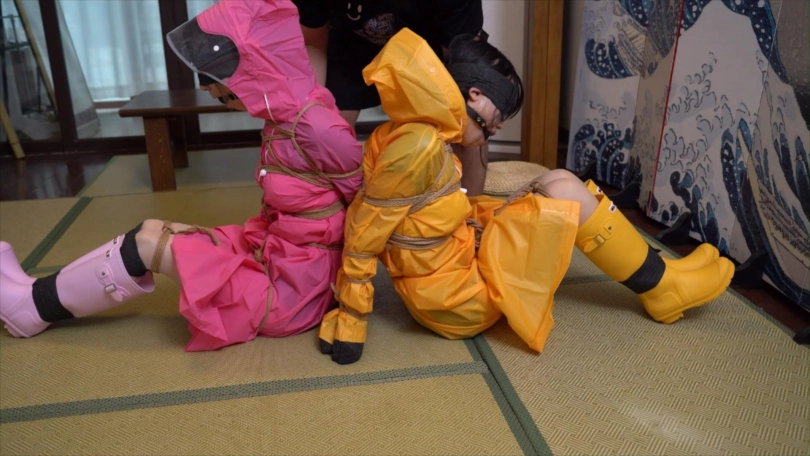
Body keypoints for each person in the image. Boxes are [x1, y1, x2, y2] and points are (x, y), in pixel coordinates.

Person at [316, 28, 736, 365]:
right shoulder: (419, 145)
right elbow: (364, 232)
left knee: (556, 181)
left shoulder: (412, 132)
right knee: (564, 189)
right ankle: (662, 288)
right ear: (475, 95)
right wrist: (350, 319)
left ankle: (660, 272)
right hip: (457, 299)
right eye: (500, 115)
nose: (498, 127)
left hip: (454, 265)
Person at [0, 0, 363, 351]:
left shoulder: (317, 127)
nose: (210, 88)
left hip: (295, 288)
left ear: (258, 66)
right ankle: (35, 294)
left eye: (218, 79)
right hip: (273, 251)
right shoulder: (280, 118)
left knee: (150, 246)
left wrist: (355, 294)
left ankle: (31, 307)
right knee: (151, 229)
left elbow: (366, 204)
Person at [291, 0, 493, 196]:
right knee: (325, 132)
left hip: (431, 44)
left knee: (468, 120)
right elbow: (313, 42)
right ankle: (338, 207)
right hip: (352, 45)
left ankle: (471, 207)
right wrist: (312, 109)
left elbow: (465, 57)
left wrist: (472, 113)